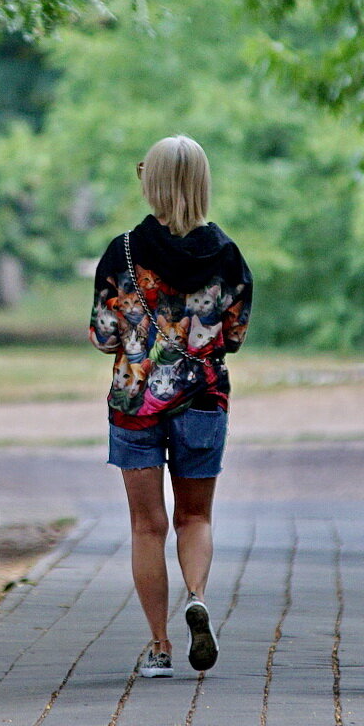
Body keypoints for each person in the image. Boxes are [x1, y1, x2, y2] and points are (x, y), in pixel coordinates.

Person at [89, 135, 253, 678]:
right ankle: (198, 597)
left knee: (147, 525)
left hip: (135, 403)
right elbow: (234, 334)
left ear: (151, 181)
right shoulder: (227, 256)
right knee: (195, 516)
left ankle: (159, 648)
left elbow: (104, 335)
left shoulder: (123, 252)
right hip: (203, 400)